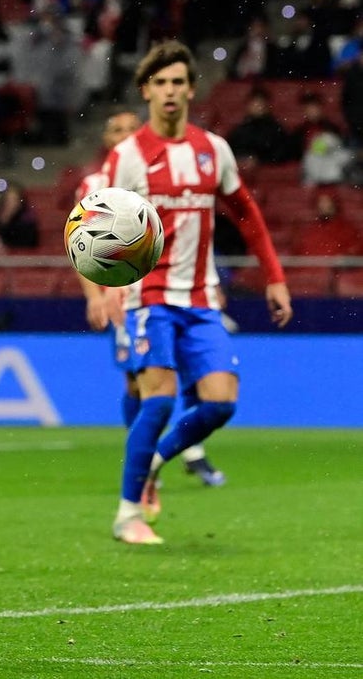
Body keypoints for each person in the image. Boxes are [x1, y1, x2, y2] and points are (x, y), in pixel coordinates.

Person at [99, 40, 292, 546]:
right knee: (158, 400)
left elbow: (245, 212)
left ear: (191, 89)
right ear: (146, 91)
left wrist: (274, 275)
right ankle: (128, 514)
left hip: (202, 298)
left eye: (178, 82)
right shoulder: (127, 157)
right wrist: (108, 287)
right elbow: (101, 230)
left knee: (222, 402)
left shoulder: (213, 150)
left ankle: (155, 462)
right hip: (149, 295)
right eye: (160, 83)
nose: (170, 91)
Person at [74, 109, 227, 488]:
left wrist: (205, 278)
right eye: (117, 129)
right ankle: (144, 461)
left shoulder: (157, 171)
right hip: (126, 295)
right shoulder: (94, 185)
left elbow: (184, 227)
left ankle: (190, 451)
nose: (126, 135)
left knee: (189, 374)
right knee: (136, 381)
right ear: (107, 140)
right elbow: (82, 245)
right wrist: (96, 294)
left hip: (175, 290)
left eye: (131, 128)